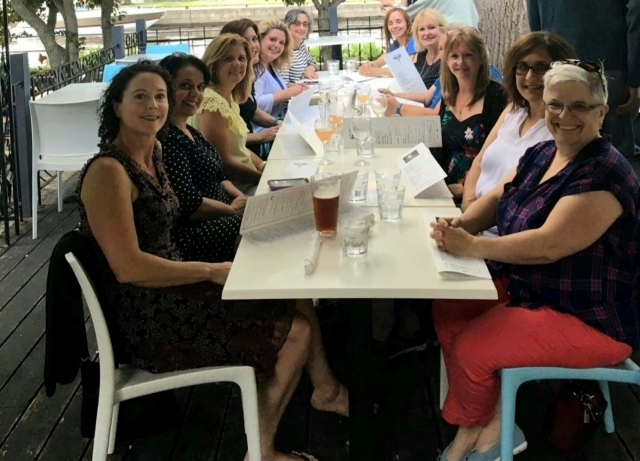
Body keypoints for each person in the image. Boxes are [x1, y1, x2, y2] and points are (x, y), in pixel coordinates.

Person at [79, 61, 348, 461]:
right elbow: (129, 267)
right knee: (297, 331)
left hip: (174, 287)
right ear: (116, 106)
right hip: (147, 315)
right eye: (140, 96)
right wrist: (212, 271)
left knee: (294, 302)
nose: (153, 105)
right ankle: (263, 451)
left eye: (159, 97)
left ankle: (319, 397)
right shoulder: (108, 172)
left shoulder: (152, 151)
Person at [429, 61, 639, 461]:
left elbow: (548, 245)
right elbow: (499, 196)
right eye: (556, 105)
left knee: (474, 348)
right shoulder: (546, 151)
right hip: (535, 288)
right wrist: (463, 222)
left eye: (580, 107)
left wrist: (471, 247)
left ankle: (471, 438)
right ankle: (490, 422)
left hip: (588, 317)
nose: (564, 116)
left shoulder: (604, 173)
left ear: (602, 112)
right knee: (451, 308)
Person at [461, 32, 577, 225]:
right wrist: (468, 206)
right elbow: (479, 162)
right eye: (522, 67)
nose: (530, 76)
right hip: (471, 218)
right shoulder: (513, 111)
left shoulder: (561, 129)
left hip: (502, 235)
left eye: (541, 68)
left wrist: (474, 222)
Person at [159, 53, 245, 263]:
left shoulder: (190, 131)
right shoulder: (168, 140)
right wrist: (232, 210)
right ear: (167, 90)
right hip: (196, 231)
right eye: (186, 86)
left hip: (224, 214)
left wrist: (241, 199)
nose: (195, 94)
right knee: (258, 228)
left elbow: (219, 176)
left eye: (199, 87)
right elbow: (188, 204)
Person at [526, 0, 639, 158]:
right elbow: (636, 14)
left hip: (559, 64)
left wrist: (545, 60)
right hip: (611, 64)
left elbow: (534, 15)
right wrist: (634, 76)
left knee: (561, 148)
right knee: (614, 156)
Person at [432, 26, 507, 199]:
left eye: (468, 55)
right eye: (454, 56)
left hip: (480, 193)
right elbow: (439, 147)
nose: (460, 63)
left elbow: (502, 156)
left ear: (481, 58)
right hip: (445, 190)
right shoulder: (448, 96)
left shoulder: (497, 97)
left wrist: (468, 189)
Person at [190, 34, 264, 194]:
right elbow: (224, 163)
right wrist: (264, 179)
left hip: (250, 180)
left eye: (242, 58)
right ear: (214, 64)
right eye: (228, 59)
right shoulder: (212, 103)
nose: (237, 64)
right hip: (237, 191)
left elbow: (239, 150)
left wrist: (264, 166)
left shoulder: (229, 97)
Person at [221, 19, 283, 158]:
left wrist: (278, 123)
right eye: (245, 40)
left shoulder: (247, 77)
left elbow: (252, 110)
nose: (253, 45)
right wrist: (261, 136)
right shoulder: (227, 84)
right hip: (245, 158)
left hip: (252, 155)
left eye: (255, 39)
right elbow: (227, 140)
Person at [381, 22, 449, 116]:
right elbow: (426, 97)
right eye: (440, 49)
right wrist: (393, 95)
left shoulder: (455, 81)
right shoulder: (445, 76)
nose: (441, 55)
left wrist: (398, 107)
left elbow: (436, 114)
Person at [254, 19, 308, 133]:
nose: (276, 45)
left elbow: (269, 89)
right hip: (264, 133)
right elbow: (254, 104)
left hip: (279, 126)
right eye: (272, 39)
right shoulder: (256, 69)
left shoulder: (270, 65)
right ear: (260, 39)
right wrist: (285, 94)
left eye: (281, 43)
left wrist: (290, 87)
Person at [359, 8, 416, 78]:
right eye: (390, 23)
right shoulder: (395, 45)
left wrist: (380, 72)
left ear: (407, 23)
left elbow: (407, 72)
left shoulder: (414, 42)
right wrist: (369, 65)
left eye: (398, 22)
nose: (394, 26)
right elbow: (378, 63)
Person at [281, 9, 319, 84]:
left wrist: (309, 71)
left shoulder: (301, 45)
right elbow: (285, 85)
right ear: (287, 26)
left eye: (305, 24)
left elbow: (312, 62)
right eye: (297, 24)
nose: (301, 28)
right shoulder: (283, 50)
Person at [378, 0, 479, 27]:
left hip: (453, 37)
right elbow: (475, 17)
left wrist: (391, 3)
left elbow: (409, 13)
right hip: (471, 38)